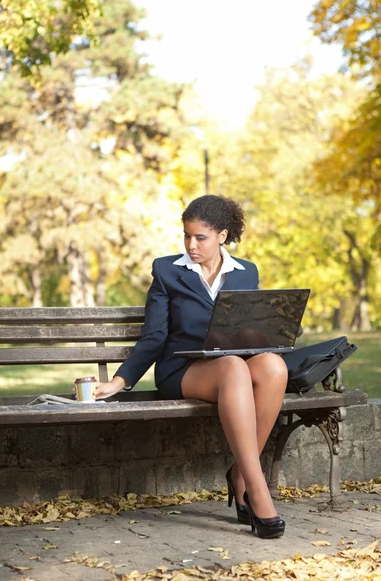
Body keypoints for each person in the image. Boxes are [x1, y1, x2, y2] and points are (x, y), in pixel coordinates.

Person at [95, 195, 288, 539]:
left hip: (234, 366)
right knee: (232, 367)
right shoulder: (167, 271)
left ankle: (240, 474)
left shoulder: (247, 273)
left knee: (273, 366)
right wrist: (121, 380)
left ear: (222, 236)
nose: (191, 244)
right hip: (183, 370)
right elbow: (154, 337)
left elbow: (249, 331)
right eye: (186, 236)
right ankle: (257, 489)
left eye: (201, 237)